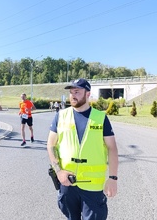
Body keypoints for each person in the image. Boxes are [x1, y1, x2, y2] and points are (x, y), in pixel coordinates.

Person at [47, 78, 118, 220]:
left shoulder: (100, 118)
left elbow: (112, 148)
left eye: (77, 91)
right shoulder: (60, 116)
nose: (73, 95)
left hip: (92, 186)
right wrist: (58, 171)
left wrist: (112, 178)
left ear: (87, 94)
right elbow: (51, 145)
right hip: (67, 183)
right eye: (71, 92)